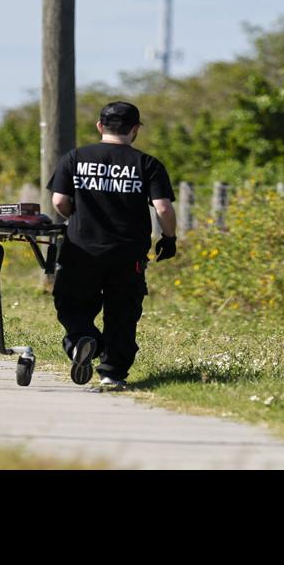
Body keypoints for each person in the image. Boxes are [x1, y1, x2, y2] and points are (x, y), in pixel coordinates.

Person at [46, 101, 178, 391]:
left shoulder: (75, 158)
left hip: (81, 250)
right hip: (127, 254)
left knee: (71, 304)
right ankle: (112, 373)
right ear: (135, 130)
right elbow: (164, 209)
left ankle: (83, 339)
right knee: (122, 312)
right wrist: (168, 238)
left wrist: (77, 219)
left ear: (99, 126)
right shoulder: (148, 164)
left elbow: (58, 201)